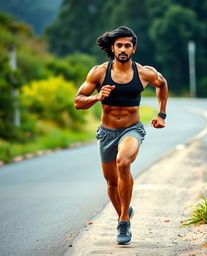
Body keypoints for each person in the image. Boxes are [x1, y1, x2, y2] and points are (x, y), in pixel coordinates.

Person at [74, 26, 168, 245]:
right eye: (119, 45)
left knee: (123, 162)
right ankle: (125, 210)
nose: (123, 49)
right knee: (112, 183)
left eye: (127, 45)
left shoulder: (145, 72)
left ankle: (123, 221)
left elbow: (162, 84)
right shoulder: (98, 72)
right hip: (106, 134)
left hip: (131, 129)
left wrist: (161, 114)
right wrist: (97, 98)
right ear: (113, 48)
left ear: (134, 48)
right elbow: (78, 101)